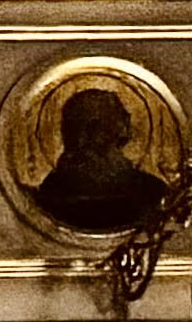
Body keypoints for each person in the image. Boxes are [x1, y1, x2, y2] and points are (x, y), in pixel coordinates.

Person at [25, 85, 170, 237]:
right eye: (74, 127)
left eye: (94, 126)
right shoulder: (51, 192)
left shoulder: (151, 191)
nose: (82, 138)